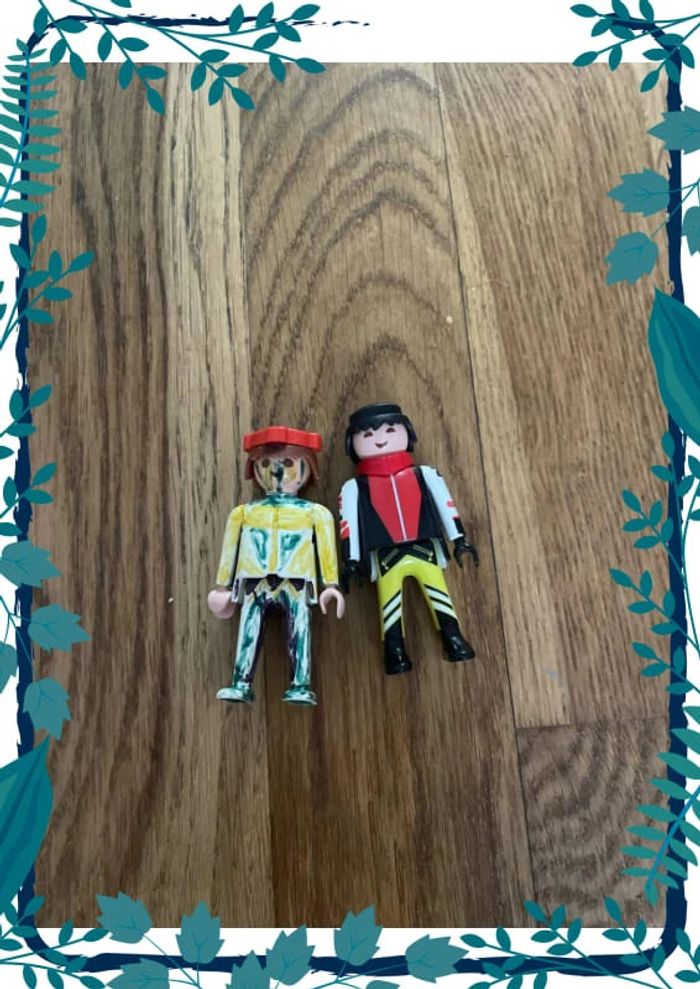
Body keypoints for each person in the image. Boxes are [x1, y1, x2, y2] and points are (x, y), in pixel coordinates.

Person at [208, 425, 344, 705]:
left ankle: (300, 685)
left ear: (308, 467)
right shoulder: (243, 513)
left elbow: (327, 550)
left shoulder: (316, 513)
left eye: (288, 463)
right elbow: (229, 550)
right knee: (248, 629)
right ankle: (240, 683)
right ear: (255, 469)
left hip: (296, 581)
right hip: (254, 581)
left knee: (300, 629)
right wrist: (221, 587)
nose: (277, 471)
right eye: (266, 464)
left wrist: (331, 584)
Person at [339, 403, 478, 675]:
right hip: (385, 556)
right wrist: (351, 559)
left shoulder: (426, 474)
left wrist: (459, 538)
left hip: (424, 547)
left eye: (390, 430)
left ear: (407, 432)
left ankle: (453, 638)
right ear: (351, 443)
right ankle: (394, 650)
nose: (380, 439)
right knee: (389, 605)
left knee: (440, 595)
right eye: (367, 435)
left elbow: (446, 505)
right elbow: (348, 525)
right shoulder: (354, 488)